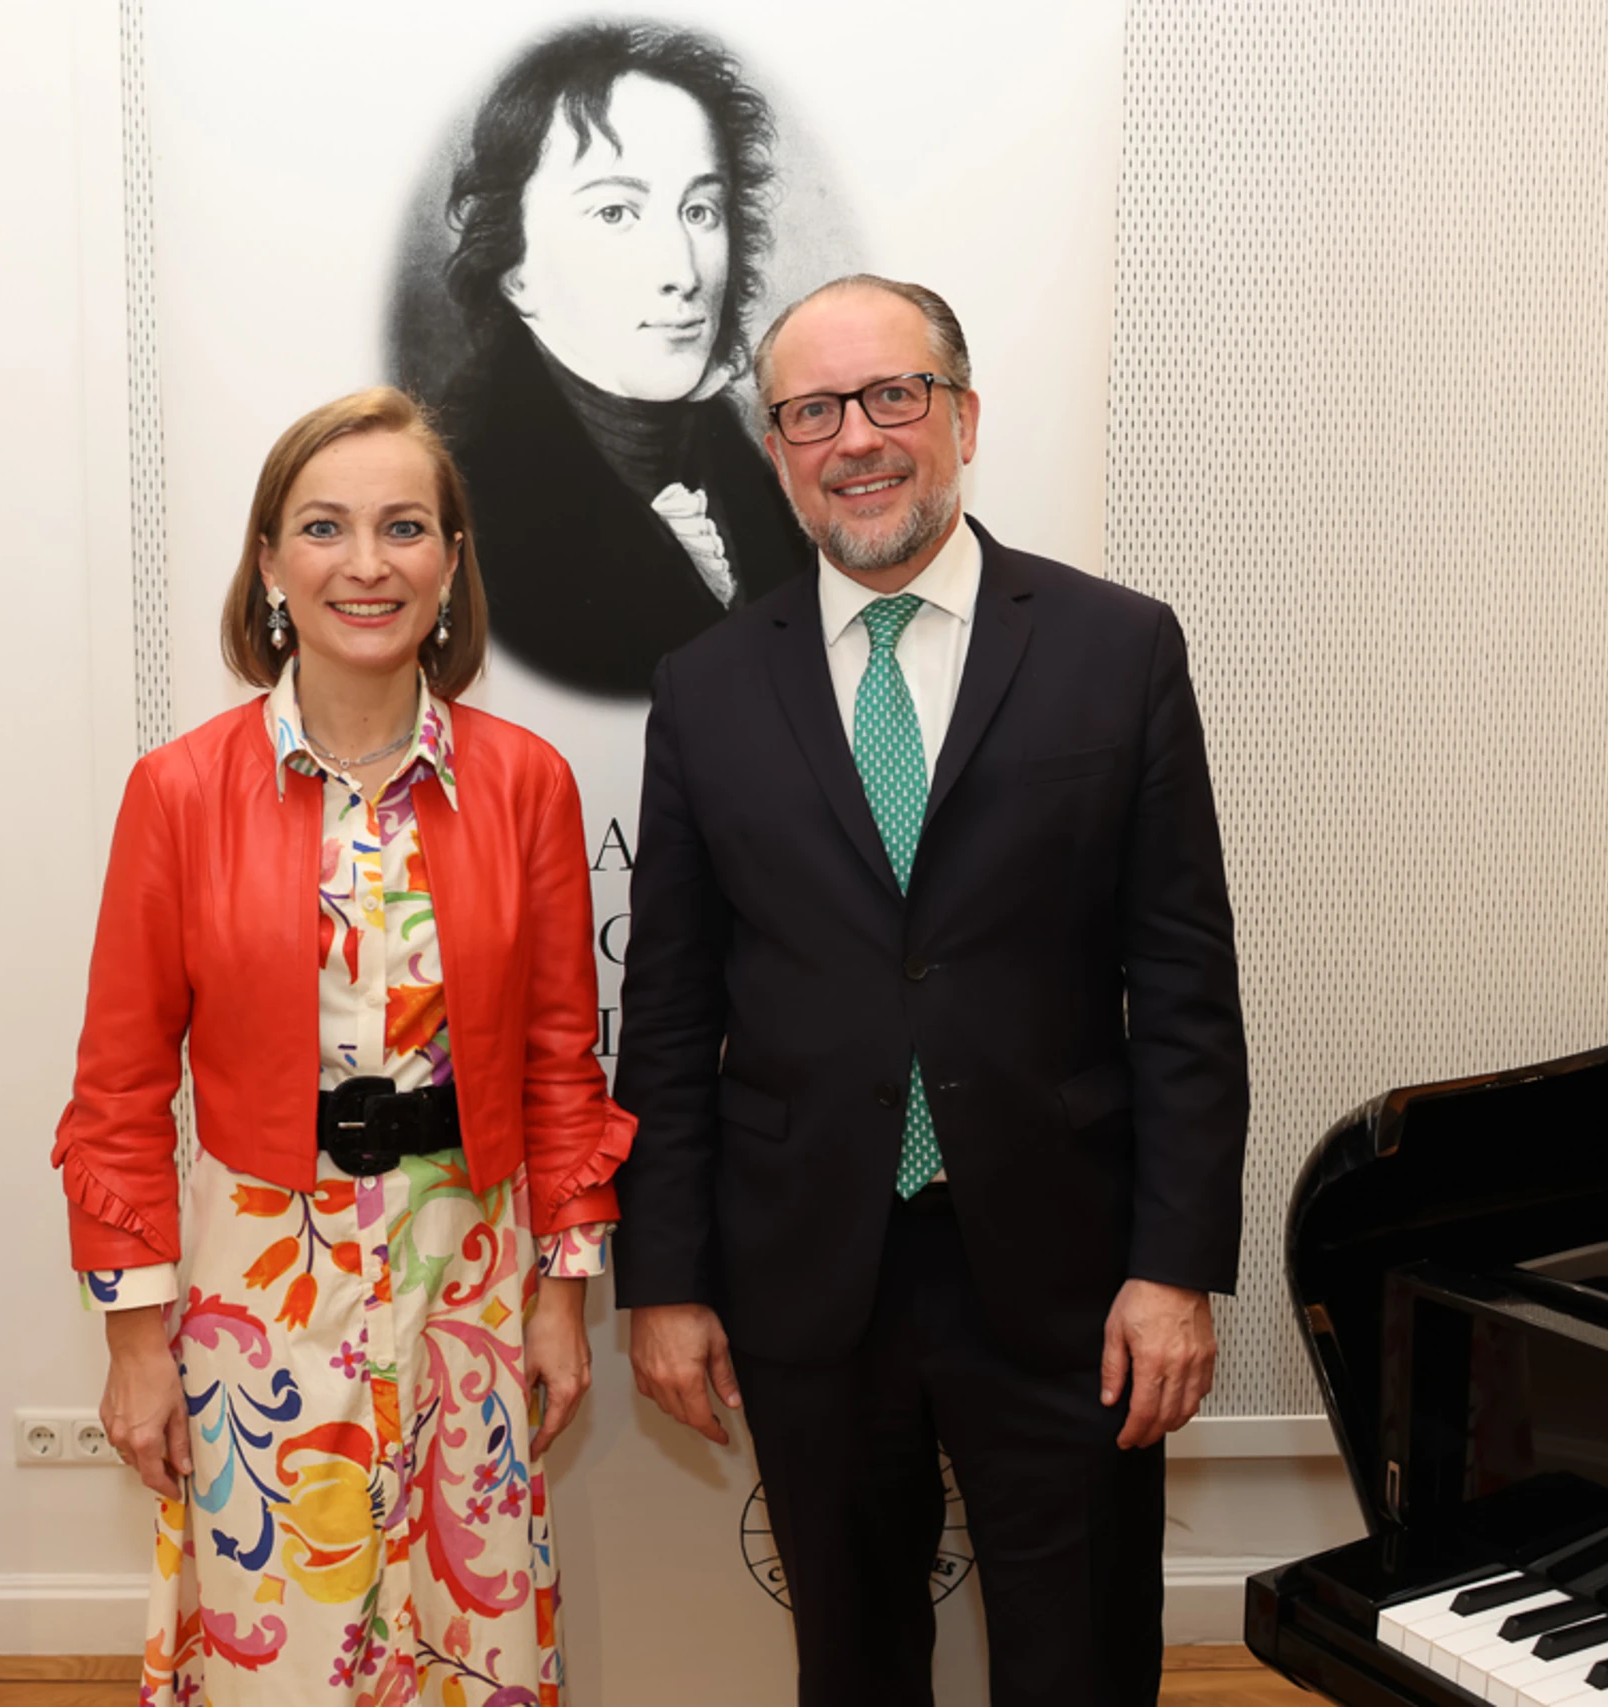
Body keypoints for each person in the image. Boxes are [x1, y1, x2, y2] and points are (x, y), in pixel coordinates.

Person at [612, 275, 1250, 1705]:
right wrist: (665, 1279)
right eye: (812, 411)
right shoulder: (707, 686)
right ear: (775, 450)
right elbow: (670, 1009)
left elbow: (1185, 986)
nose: (856, 438)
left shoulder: (1118, 648)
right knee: (852, 1662)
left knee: (1081, 1662)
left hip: (1069, 1273)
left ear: (962, 414)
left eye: (892, 396)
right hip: (805, 1270)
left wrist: (1173, 1267)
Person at [51, 387, 633, 1704]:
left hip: (471, 1273)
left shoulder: (527, 781)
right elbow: (119, 1089)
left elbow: (559, 1062)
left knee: (465, 1638)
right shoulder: (177, 791)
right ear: (268, 562)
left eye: (403, 527)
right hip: (257, 1287)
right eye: (323, 527)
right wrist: (135, 1345)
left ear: (451, 562)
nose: (366, 563)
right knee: (287, 1647)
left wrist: (560, 1297)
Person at [439, 21, 812, 700]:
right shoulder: (469, 504)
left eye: (700, 211)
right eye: (615, 213)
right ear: (515, 268)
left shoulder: (748, 467)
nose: (682, 273)